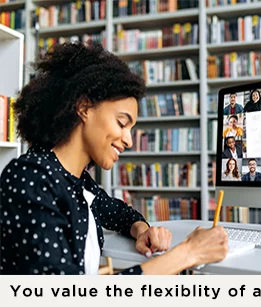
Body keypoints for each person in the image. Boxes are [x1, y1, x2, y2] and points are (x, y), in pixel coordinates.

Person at [0, 42, 228, 275]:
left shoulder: (78, 181)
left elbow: (120, 214)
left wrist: (141, 229)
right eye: (122, 123)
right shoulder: (30, 178)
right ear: (84, 107)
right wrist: (188, 253)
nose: (128, 140)